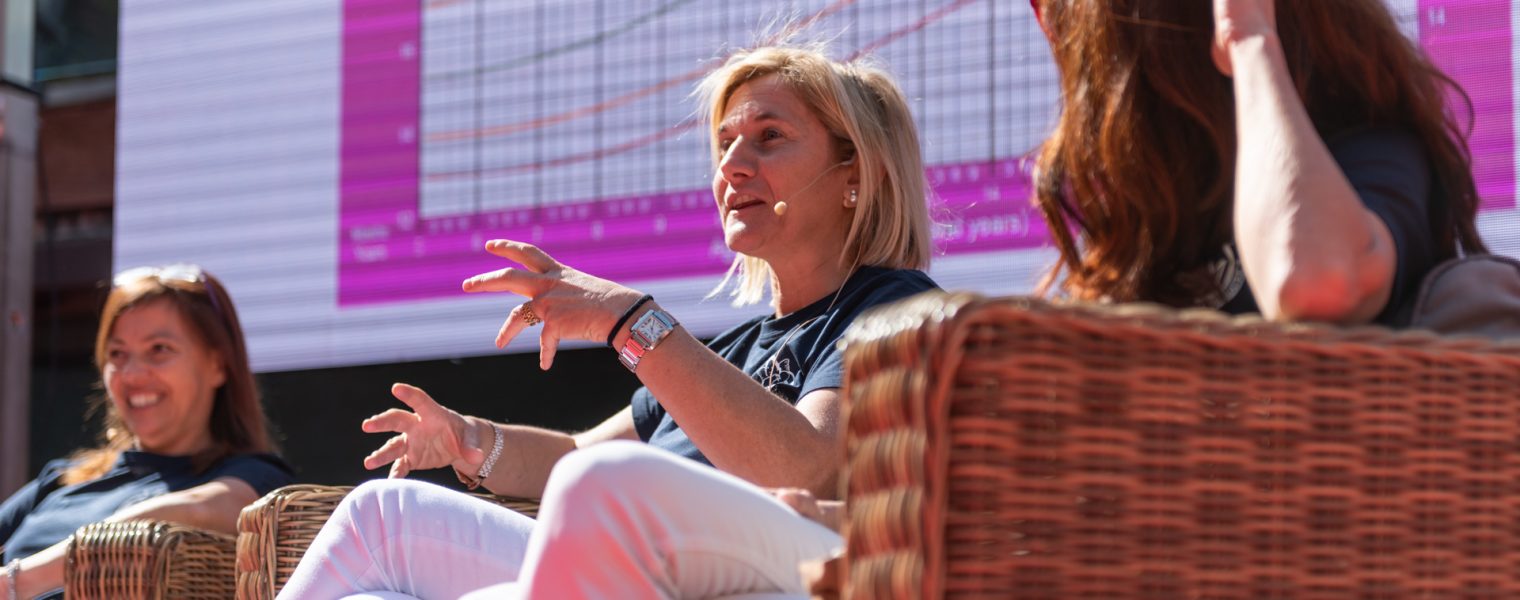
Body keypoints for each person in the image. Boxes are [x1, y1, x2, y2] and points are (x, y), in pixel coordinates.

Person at [277, 43, 937, 599]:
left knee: (602, 486)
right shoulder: (731, 352)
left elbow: (807, 469)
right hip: (643, 566)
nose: (732, 165)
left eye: (770, 138)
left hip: (785, 569)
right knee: (381, 517)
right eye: (725, 143)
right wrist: (468, 439)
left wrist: (629, 322)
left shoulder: (890, 306)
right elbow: (573, 454)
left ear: (855, 172)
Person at [1029, 0, 1486, 324]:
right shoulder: (1147, 225)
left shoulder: (1369, 155)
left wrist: (1250, 40)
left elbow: (1317, 281)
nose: (1052, 25)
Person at [0, 265, 294, 599]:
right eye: (117, 354)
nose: (132, 374)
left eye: (159, 349)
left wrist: (18, 582)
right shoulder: (60, 481)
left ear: (218, 365)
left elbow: (198, 510)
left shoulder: (255, 478)